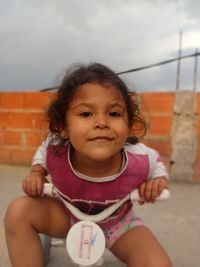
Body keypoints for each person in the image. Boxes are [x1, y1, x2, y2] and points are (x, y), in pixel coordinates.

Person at [4, 63, 172, 267]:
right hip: (66, 216)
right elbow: (43, 151)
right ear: (62, 128)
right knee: (18, 212)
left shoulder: (140, 159)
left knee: (158, 264)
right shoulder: (55, 149)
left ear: (128, 126)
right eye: (86, 114)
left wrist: (157, 181)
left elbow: (157, 163)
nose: (102, 122)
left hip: (118, 224)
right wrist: (37, 173)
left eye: (114, 114)